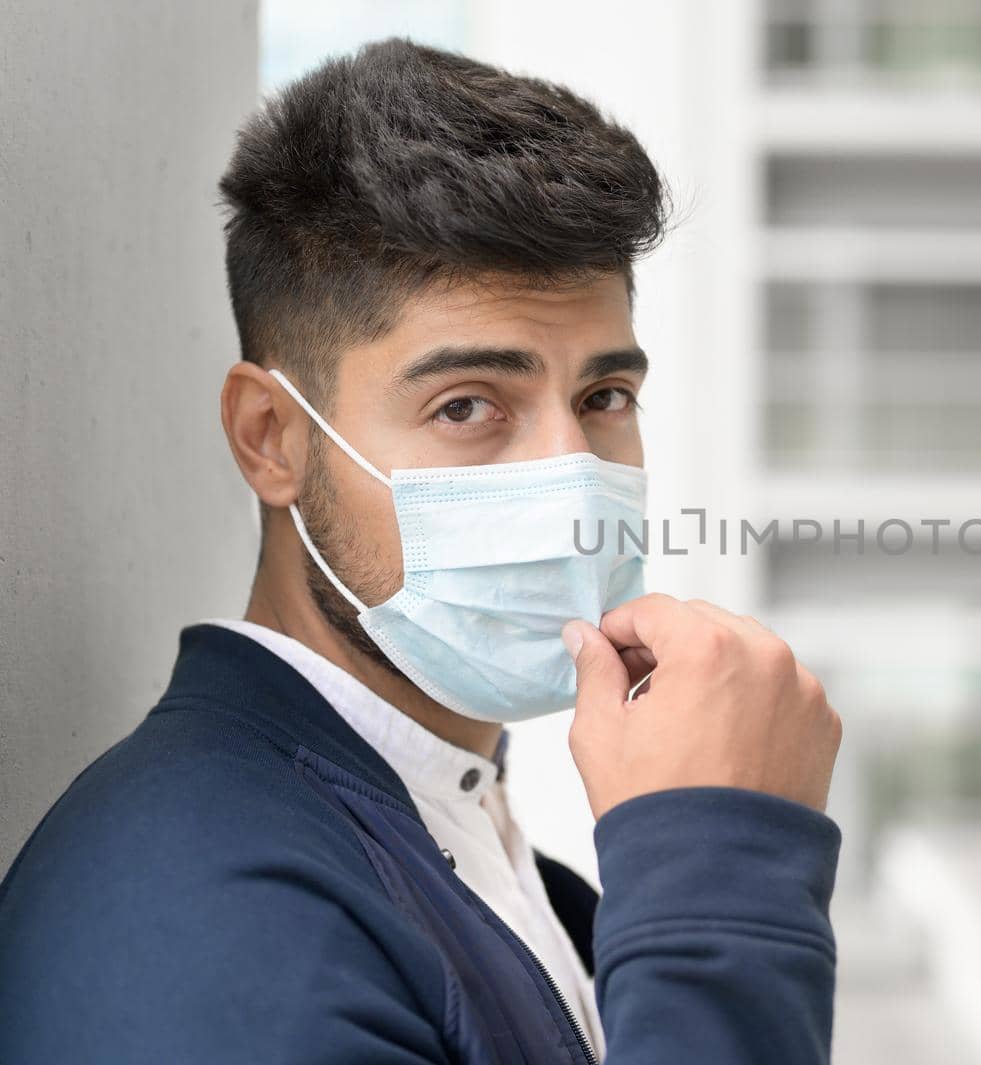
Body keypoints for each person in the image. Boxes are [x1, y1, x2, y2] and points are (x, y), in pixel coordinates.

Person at [0, 38, 843, 1065]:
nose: (570, 479)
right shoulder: (209, 911)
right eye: (466, 405)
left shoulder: (447, 842)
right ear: (273, 436)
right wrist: (718, 865)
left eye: (603, 397)